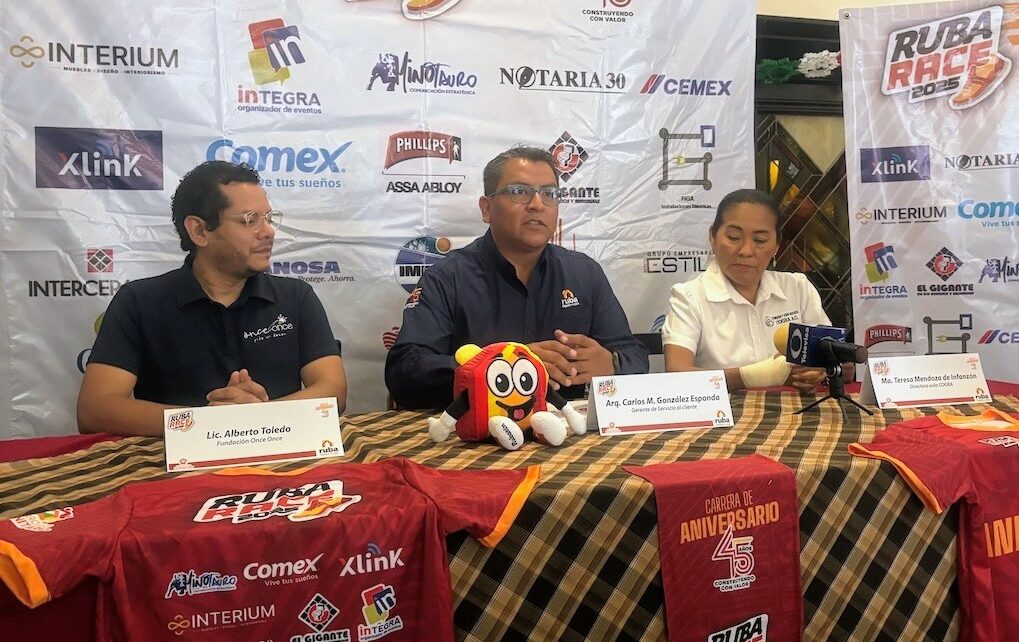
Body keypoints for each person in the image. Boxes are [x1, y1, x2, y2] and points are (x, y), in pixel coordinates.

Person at [77, 161, 346, 437]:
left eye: (268, 218)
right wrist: (205, 423)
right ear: (199, 231)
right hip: (174, 459)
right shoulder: (139, 302)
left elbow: (333, 391)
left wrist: (259, 418)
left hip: (285, 454)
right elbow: (95, 409)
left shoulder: (296, 297)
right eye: (249, 220)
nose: (268, 232)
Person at [385, 145, 648, 409]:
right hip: (479, 429)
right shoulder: (447, 277)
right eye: (519, 192)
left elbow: (634, 355)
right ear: (487, 209)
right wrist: (504, 365)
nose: (537, 205)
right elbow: (405, 373)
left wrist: (612, 364)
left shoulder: (584, 273)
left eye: (549, 194)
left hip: (568, 427)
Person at [662, 188, 849, 391]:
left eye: (760, 240)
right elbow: (677, 375)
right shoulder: (689, 297)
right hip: (725, 409)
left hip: (797, 407)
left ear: (776, 245)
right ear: (712, 237)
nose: (746, 251)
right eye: (733, 237)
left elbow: (841, 365)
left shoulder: (797, 288)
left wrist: (819, 371)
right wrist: (762, 375)